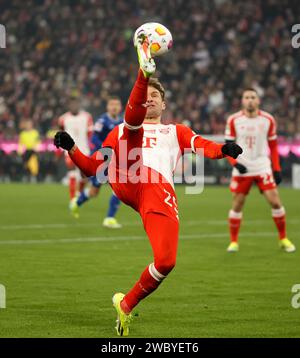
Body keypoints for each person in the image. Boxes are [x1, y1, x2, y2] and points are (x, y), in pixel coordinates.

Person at [54, 32, 242, 336]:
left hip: (156, 192)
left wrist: (223, 150)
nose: (150, 100)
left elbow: (202, 144)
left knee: (166, 261)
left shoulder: (175, 132)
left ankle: (125, 304)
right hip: (128, 176)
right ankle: (144, 71)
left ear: (164, 105)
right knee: (131, 129)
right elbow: (92, 169)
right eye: (146, 96)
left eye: (154, 97)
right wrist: (73, 148)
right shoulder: (119, 132)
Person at [225, 88, 296, 253]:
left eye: (253, 97)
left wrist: (276, 169)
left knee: (276, 202)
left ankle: (283, 238)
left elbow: (273, 145)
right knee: (237, 204)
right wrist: (235, 164)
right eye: (246, 97)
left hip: (262, 166)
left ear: (258, 101)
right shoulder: (234, 120)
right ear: (242, 101)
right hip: (242, 167)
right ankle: (234, 242)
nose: (250, 100)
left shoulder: (268, 119)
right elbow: (227, 147)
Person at [70, 97, 123, 228]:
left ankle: (109, 218)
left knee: (120, 188)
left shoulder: (122, 122)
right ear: (107, 107)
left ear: (121, 107)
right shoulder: (102, 121)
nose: (114, 107)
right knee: (94, 192)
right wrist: (106, 150)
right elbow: (94, 138)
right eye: (112, 104)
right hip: (103, 161)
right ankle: (77, 202)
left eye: (116, 104)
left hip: (116, 161)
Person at [58, 93, 93, 205]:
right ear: (69, 105)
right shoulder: (63, 118)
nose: (74, 105)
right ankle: (72, 198)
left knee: (84, 176)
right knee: (72, 173)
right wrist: (59, 149)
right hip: (69, 150)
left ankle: (79, 194)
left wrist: (92, 147)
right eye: (72, 104)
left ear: (79, 104)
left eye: (76, 103)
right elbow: (61, 133)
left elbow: (90, 134)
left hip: (84, 149)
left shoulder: (87, 117)